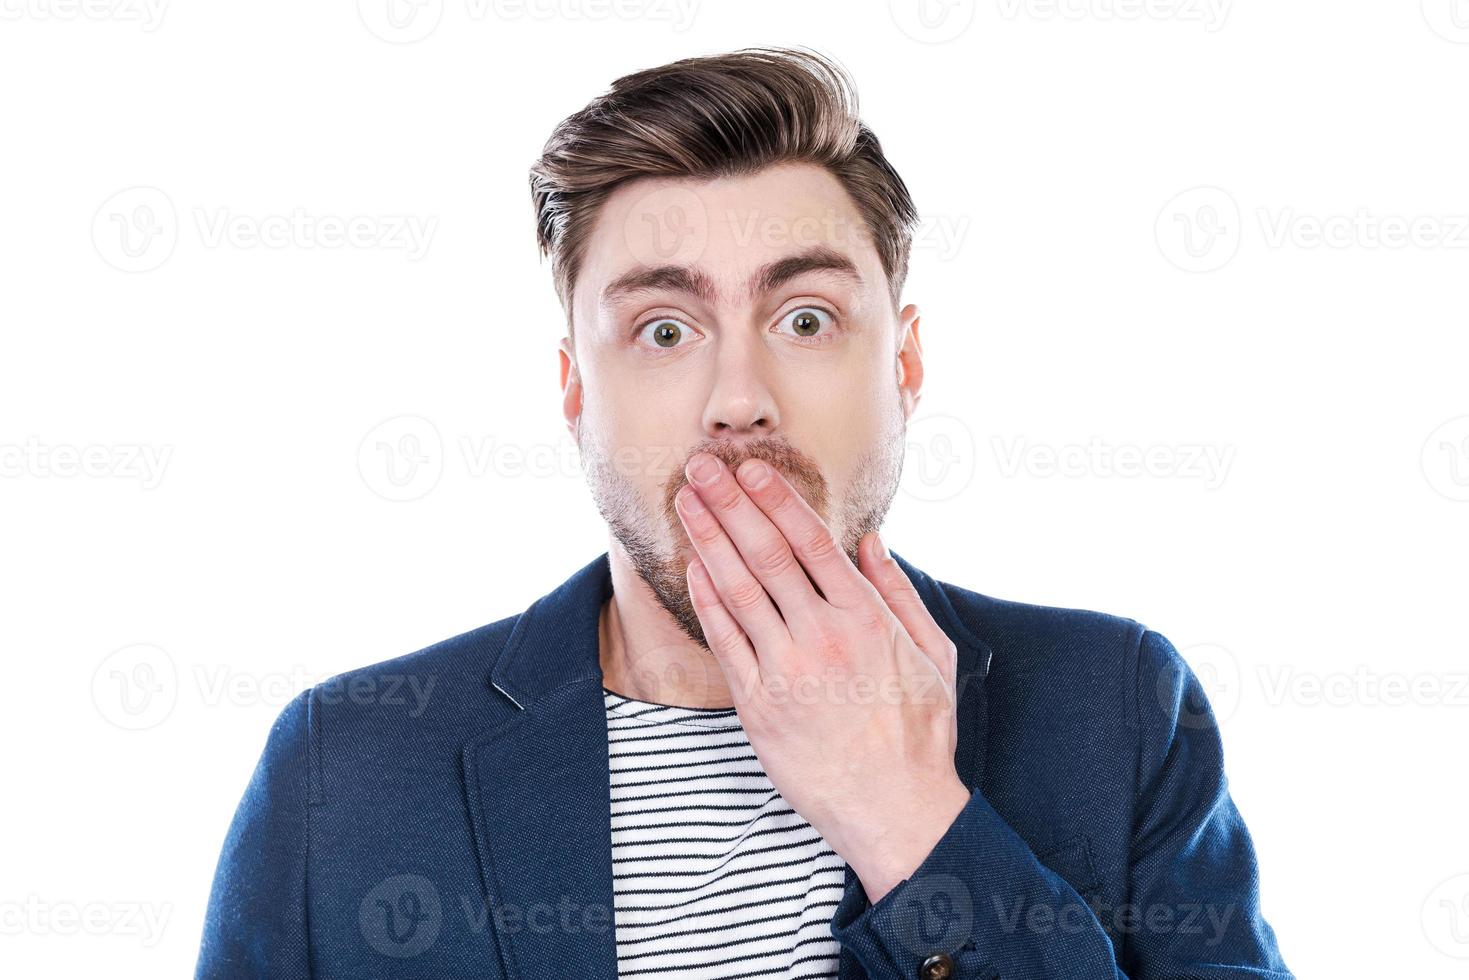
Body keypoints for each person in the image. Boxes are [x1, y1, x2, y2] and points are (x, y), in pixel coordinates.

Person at [195, 46, 1294, 980]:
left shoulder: (1114, 708)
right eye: (664, 330)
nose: (738, 401)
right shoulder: (342, 766)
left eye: (806, 318)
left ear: (903, 362)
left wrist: (908, 819)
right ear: (575, 389)